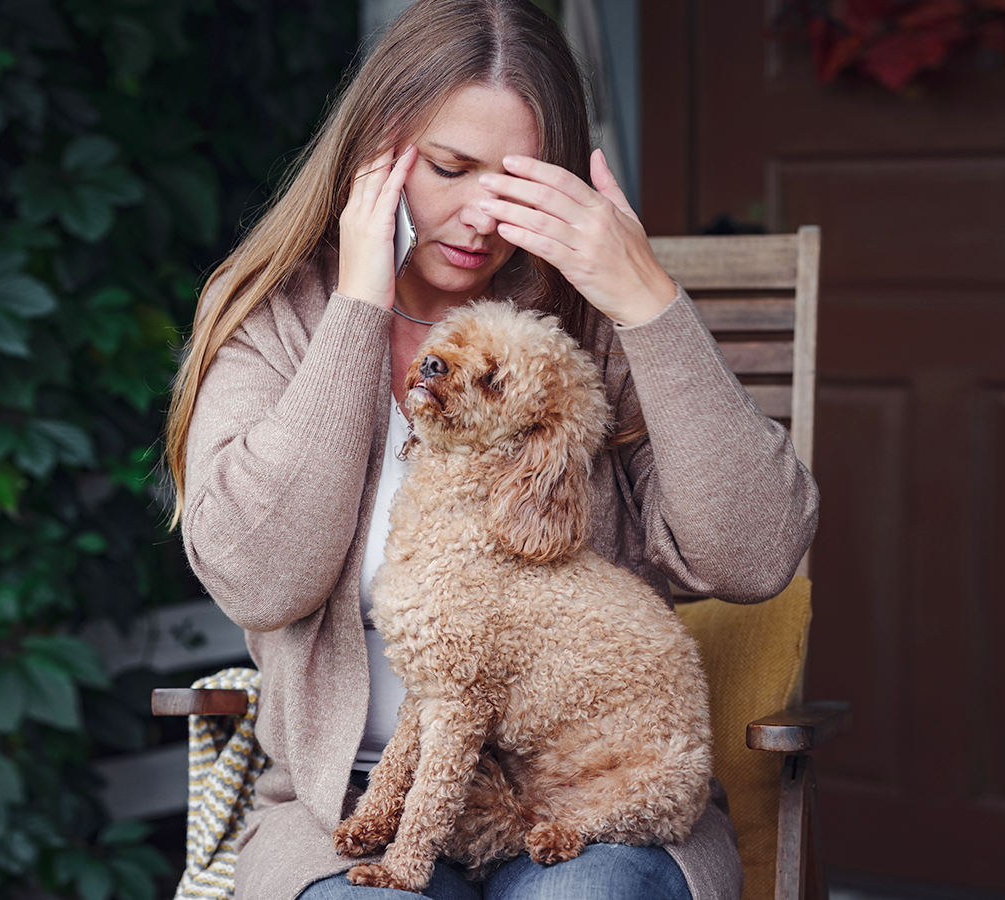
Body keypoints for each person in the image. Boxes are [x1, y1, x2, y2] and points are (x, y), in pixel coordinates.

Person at [164, 1, 819, 898]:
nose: (479, 215)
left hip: (579, 804)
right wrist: (357, 303)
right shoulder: (273, 316)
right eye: (449, 167)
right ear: (375, 154)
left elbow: (754, 556)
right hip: (352, 808)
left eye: (516, 180)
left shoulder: (584, 321)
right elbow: (262, 577)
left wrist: (651, 306)